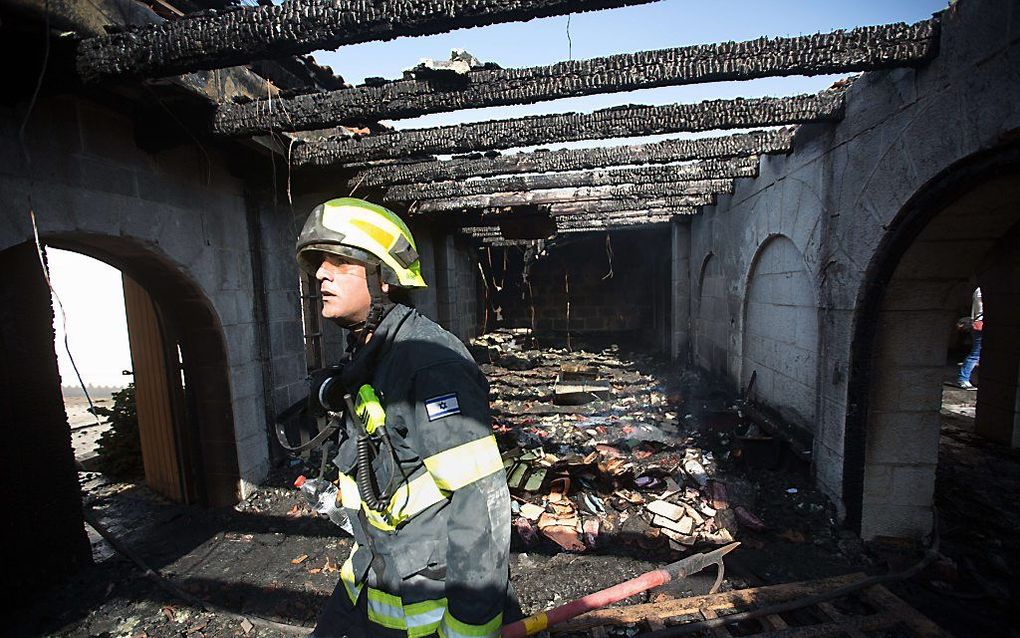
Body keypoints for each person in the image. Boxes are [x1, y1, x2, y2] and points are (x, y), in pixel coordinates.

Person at [295, 197, 514, 638]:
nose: (321, 272)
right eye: (320, 261)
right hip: (373, 572)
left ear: (385, 276)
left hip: (425, 598)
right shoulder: (371, 352)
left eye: (339, 260)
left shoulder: (428, 363)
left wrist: (469, 628)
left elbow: (482, 503)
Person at [956, 287, 983, 390]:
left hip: (979, 323)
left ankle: (969, 378)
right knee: (976, 353)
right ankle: (963, 378)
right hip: (980, 324)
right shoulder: (980, 291)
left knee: (978, 353)